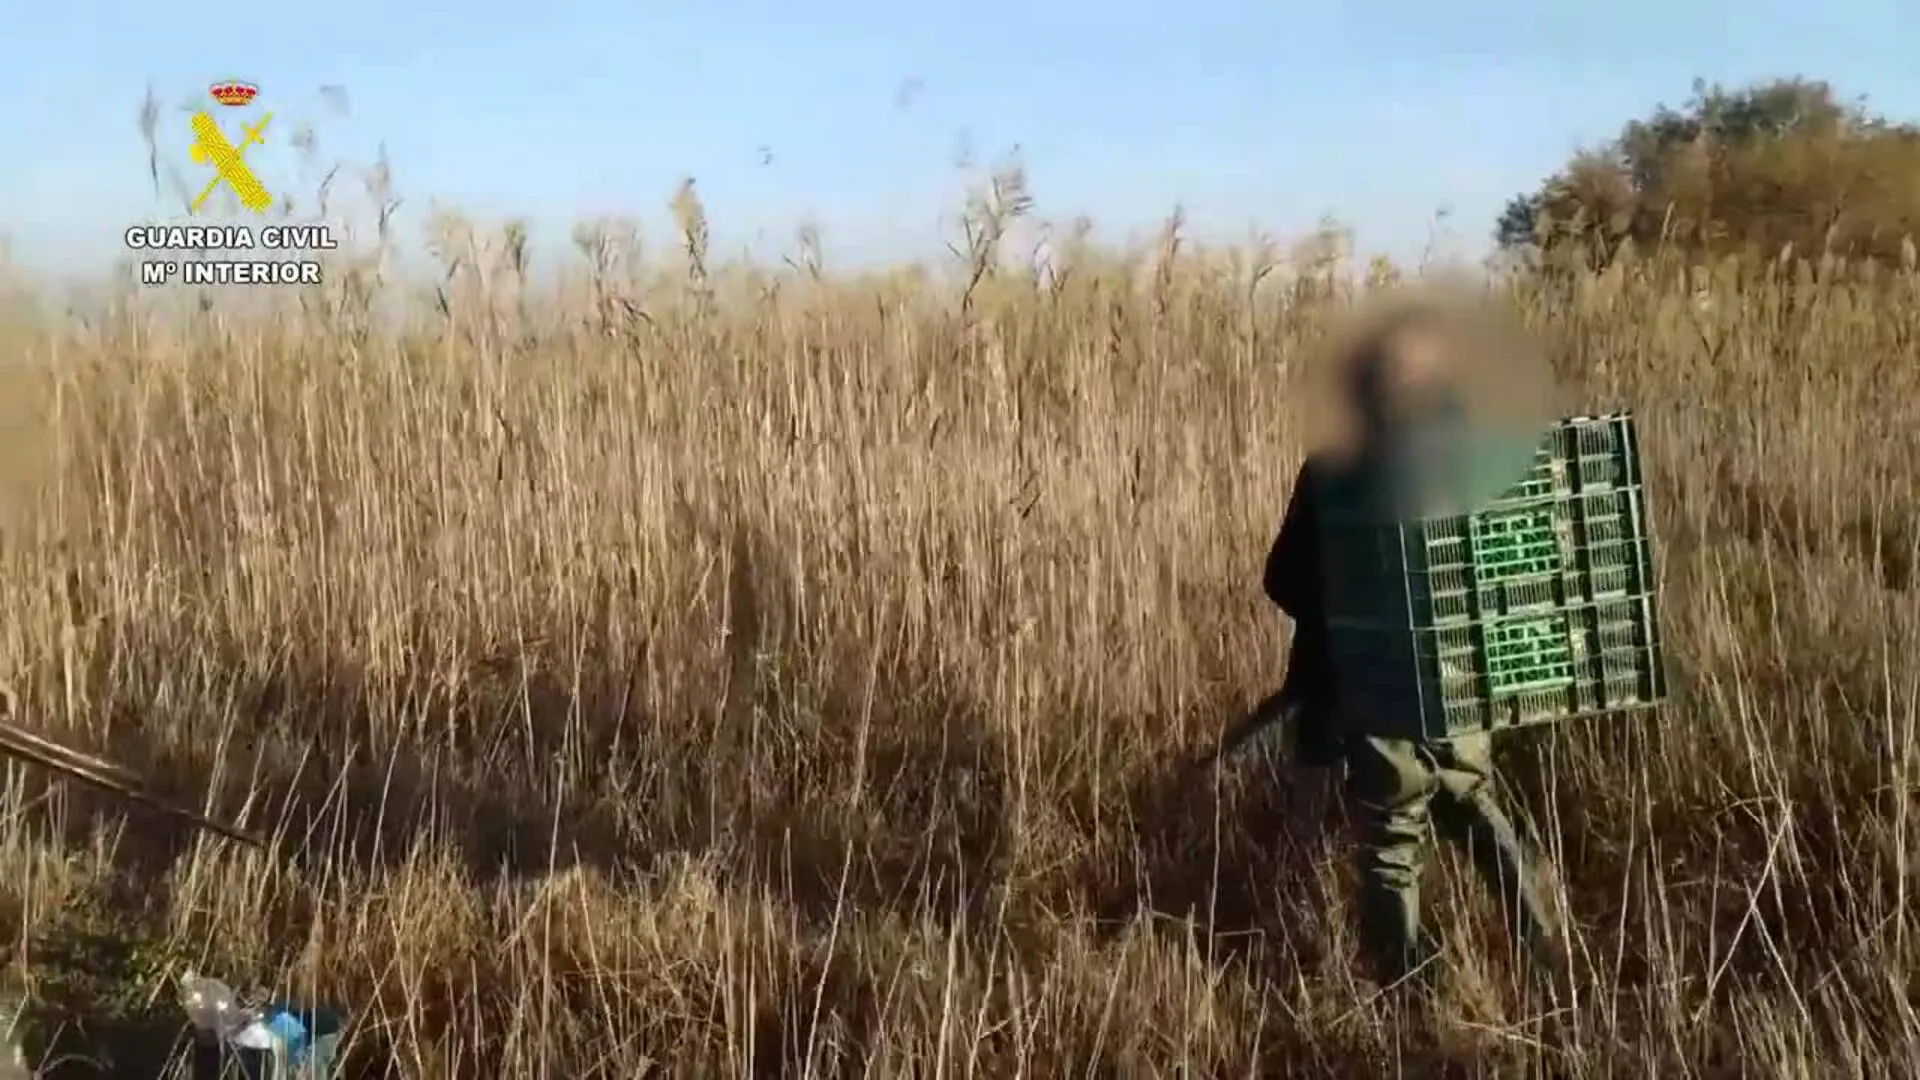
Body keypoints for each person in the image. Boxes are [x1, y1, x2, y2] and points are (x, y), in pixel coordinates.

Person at [1261, 305, 1570, 1000]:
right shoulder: (1489, 469)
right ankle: (1539, 939)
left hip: (1375, 684)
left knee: (1393, 839)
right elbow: (1527, 575)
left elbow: (1283, 578)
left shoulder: (1333, 473)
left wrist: (1338, 625)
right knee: (1473, 799)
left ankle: (1403, 986)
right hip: (1465, 680)